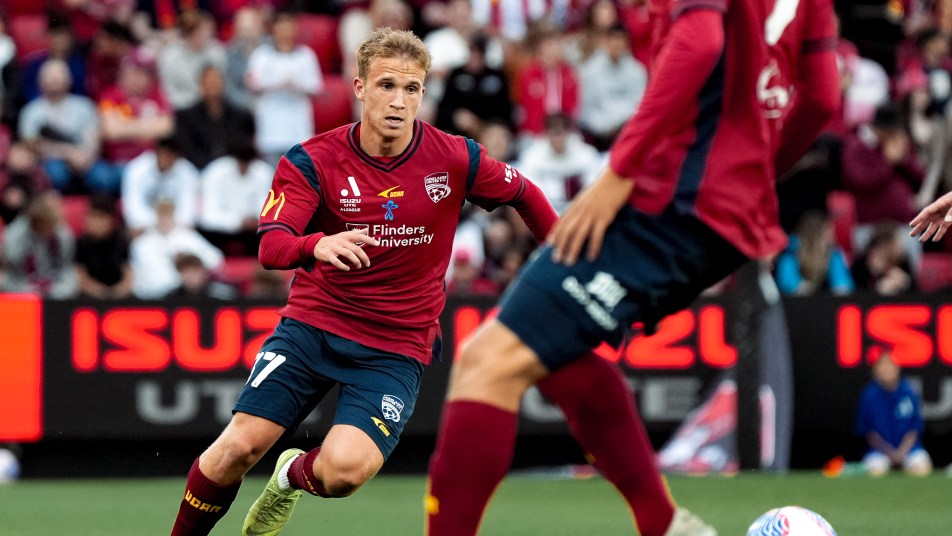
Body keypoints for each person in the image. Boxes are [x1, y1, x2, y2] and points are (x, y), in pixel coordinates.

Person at [425, 1, 841, 536]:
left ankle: (662, 521)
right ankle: (663, 523)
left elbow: (700, 39)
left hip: (671, 199)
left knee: (487, 363)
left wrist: (618, 172)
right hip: (720, 209)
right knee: (555, 353)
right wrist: (749, 176)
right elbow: (822, 98)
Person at [167, 27, 558, 536]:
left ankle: (288, 477)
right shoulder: (313, 159)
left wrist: (562, 262)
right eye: (386, 85)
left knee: (344, 473)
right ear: (359, 87)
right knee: (236, 449)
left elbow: (525, 193)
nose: (398, 101)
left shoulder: (455, 157)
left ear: (424, 92)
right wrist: (315, 244)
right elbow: (271, 246)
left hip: (396, 344)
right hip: (314, 326)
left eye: (411, 88)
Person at [856, 348, 932, 476]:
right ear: (876, 370)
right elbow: (869, 433)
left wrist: (901, 453)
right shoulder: (869, 395)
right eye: (882, 366)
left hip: (909, 450)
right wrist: (890, 453)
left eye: (889, 366)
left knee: (922, 471)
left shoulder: (909, 392)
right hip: (879, 451)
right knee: (875, 474)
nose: (886, 370)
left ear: (897, 368)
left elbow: (914, 429)